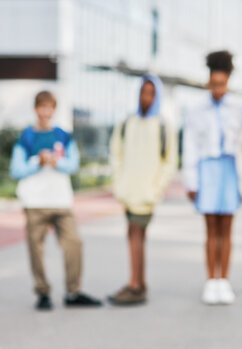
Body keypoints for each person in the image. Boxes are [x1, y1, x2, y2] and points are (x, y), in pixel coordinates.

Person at [10, 90, 103, 310]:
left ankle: (73, 291)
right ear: (36, 109)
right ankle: (43, 293)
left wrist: (54, 162)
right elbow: (16, 169)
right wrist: (38, 162)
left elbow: (73, 164)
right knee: (36, 249)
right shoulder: (27, 137)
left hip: (60, 200)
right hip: (35, 202)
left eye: (49, 107)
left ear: (54, 109)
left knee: (74, 244)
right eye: (42, 107)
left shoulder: (63, 135)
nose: (45, 111)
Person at [183, 50, 242, 305]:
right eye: (213, 84)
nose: (217, 89)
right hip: (207, 170)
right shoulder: (196, 109)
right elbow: (191, 144)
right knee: (210, 228)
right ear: (208, 82)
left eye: (222, 84)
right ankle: (210, 280)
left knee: (226, 227)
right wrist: (191, 180)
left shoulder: (239, 108)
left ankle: (224, 281)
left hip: (229, 169)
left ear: (228, 82)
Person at [108, 74, 178, 305]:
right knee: (133, 234)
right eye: (142, 92)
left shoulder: (163, 125)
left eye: (151, 93)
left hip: (146, 194)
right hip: (128, 192)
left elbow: (170, 162)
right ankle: (138, 282)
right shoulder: (127, 123)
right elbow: (116, 155)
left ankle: (135, 285)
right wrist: (119, 185)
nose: (146, 97)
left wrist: (156, 189)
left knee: (136, 234)